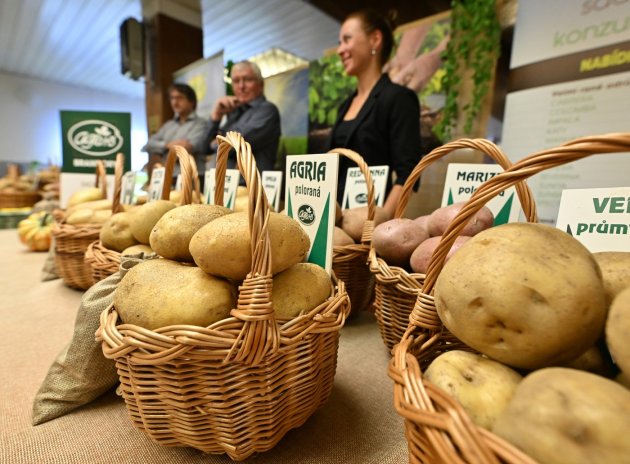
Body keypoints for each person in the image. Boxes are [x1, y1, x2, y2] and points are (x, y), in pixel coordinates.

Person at [330, 9, 422, 216]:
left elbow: (409, 173)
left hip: (368, 224)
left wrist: (379, 224)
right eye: (339, 42)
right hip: (334, 224)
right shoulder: (344, 105)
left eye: (347, 39)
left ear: (375, 40)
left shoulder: (398, 98)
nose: (340, 50)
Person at [205, 60, 281, 174]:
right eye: (236, 81)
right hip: (226, 185)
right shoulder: (235, 112)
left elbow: (231, 147)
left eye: (248, 80)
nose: (241, 86)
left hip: (252, 187)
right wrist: (216, 116)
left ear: (261, 84)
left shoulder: (267, 110)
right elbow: (204, 148)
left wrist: (216, 142)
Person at [141, 83, 209, 188]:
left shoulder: (201, 124)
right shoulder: (168, 125)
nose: (175, 102)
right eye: (172, 98)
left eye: (179, 98)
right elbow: (147, 145)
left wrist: (161, 152)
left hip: (192, 179)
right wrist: (167, 145)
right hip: (168, 177)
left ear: (192, 101)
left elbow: (185, 150)